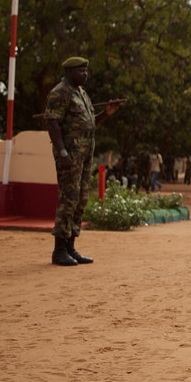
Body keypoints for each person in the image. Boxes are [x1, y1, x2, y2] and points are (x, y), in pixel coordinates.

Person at [44, 56, 123, 266]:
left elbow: (90, 124)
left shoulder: (82, 94)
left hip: (85, 153)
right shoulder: (59, 92)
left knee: (80, 200)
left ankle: (70, 247)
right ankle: (59, 250)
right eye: (81, 71)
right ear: (69, 72)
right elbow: (52, 123)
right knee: (68, 198)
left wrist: (106, 113)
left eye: (86, 71)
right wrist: (62, 153)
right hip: (70, 155)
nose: (85, 75)